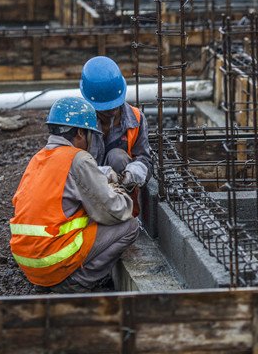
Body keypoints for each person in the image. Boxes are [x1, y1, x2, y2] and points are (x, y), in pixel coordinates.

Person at [10, 97, 138, 293]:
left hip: (28, 262)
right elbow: (114, 211)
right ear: (80, 132)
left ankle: (56, 278)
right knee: (129, 226)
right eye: (89, 135)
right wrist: (119, 191)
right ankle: (77, 282)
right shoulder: (77, 158)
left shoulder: (38, 158)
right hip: (51, 261)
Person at [79, 56, 152, 217]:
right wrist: (98, 174)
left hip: (120, 192)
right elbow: (68, 164)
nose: (112, 111)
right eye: (105, 108)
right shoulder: (79, 121)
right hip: (85, 189)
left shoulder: (136, 118)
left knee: (117, 157)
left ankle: (123, 214)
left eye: (114, 105)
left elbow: (145, 158)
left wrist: (135, 171)